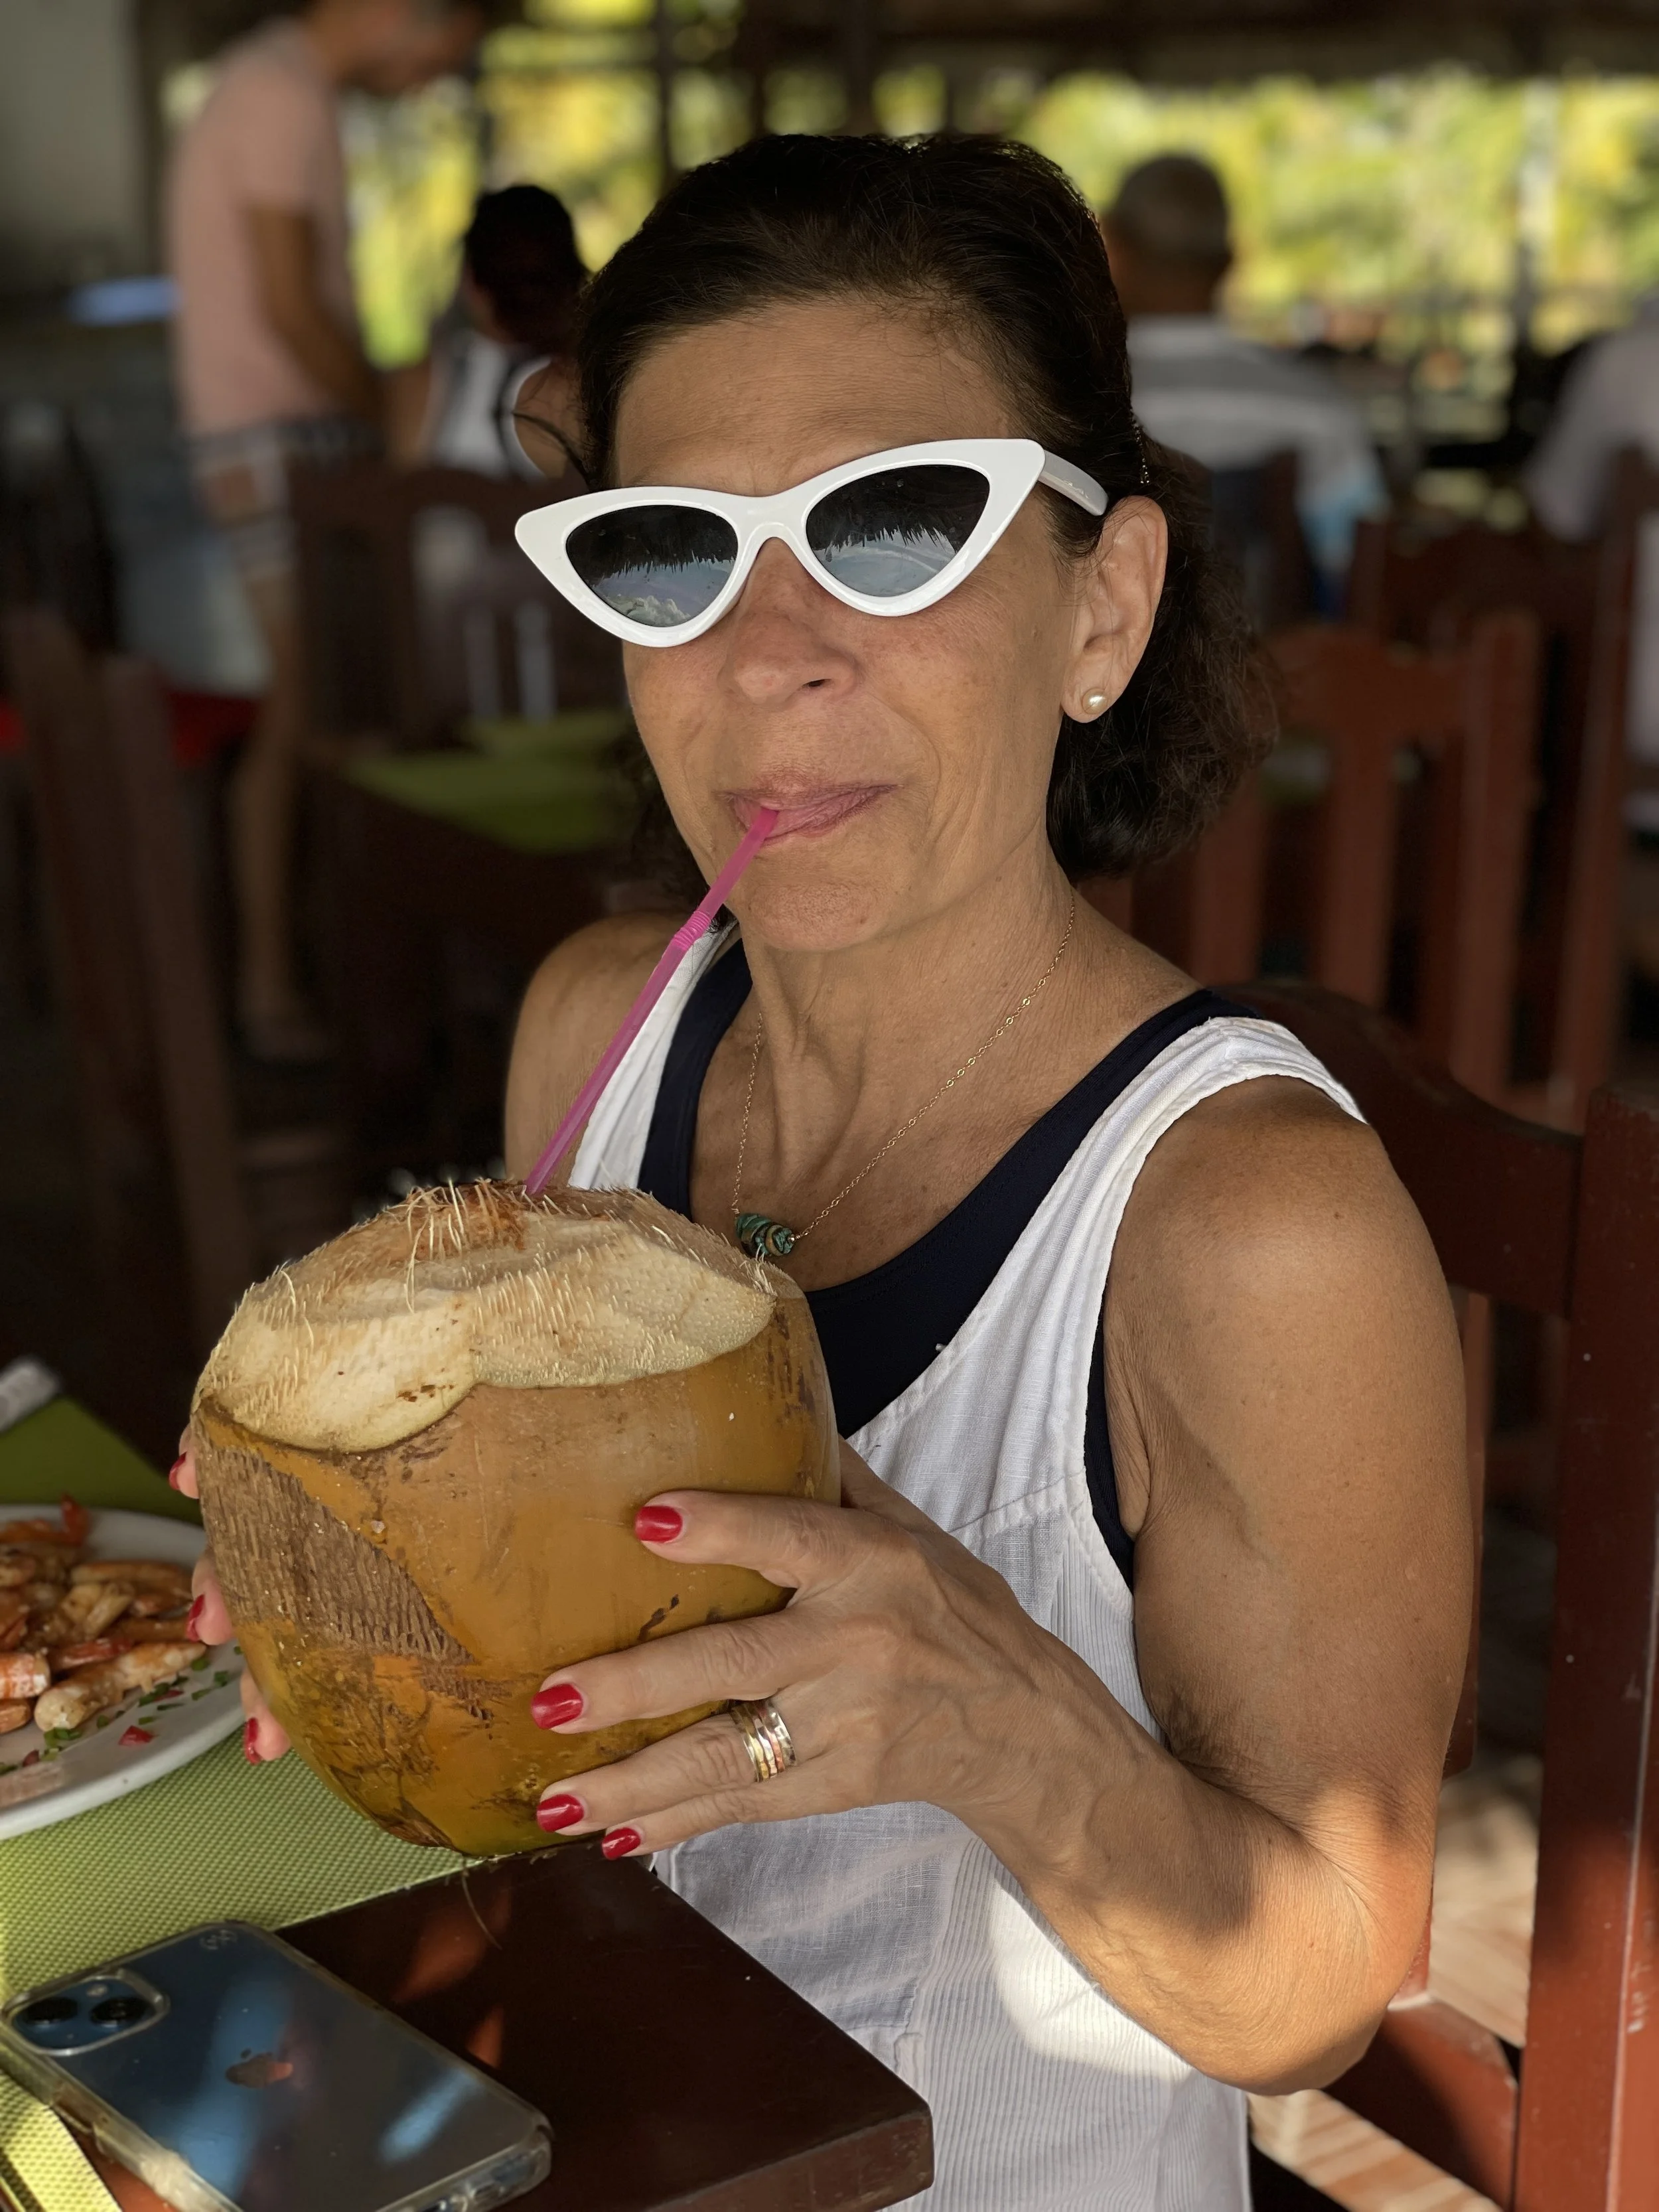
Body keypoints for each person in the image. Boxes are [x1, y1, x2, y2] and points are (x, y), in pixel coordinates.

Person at [182, 135, 1469, 2210]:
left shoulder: (1240, 1224)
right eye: (674, 552)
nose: (767, 650)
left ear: (1100, 606)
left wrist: (985, 1705)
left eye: (890, 528)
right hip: (574, 2129)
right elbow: (539, 1716)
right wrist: (355, 1553)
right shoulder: (592, 1026)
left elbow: (1312, 1988)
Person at [167, 0, 482, 1059]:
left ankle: (340, 987)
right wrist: (395, 433)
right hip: (274, 445)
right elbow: (293, 308)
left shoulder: (281, 86)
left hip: (285, 438)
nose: (441, 71)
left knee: (329, 711)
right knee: (310, 712)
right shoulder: (275, 92)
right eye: (455, 43)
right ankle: (275, 995)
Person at [1102, 152, 1386, 596]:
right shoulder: (1317, 407)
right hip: (1282, 662)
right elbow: (1356, 562)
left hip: (1121, 662)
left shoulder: (1080, 400)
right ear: (1230, 260)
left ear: (1113, 247)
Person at [388, 183, 587, 482]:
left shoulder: (422, 385)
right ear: (574, 279)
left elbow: (400, 504)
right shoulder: (589, 389)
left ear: (471, 282)